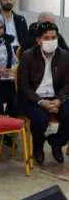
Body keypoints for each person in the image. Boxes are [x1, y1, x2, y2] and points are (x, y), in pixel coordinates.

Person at [18, 22, 69, 165]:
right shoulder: (28, 56)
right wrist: (41, 101)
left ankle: (57, 142)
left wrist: (59, 100)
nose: (51, 40)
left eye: (54, 37)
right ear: (38, 40)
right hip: (34, 98)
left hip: (56, 97)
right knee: (40, 119)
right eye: (46, 38)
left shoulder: (65, 56)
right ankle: (38, 146)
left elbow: (67, 84)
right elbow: (24, 86)